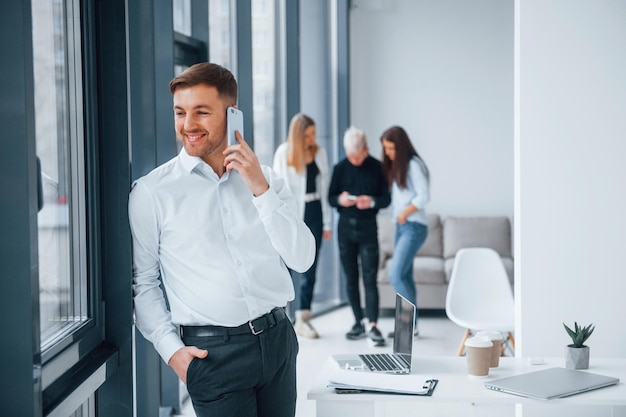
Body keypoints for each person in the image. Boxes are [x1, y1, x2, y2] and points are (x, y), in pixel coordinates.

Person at [128, 62, 315, 417]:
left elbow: (302, 259)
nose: (188, 125)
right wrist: (173, 352)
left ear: (233, 115)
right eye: (180, 113)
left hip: (277, 342)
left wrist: (259, 189)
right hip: (212, 357)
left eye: (201, 112)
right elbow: (144, 283)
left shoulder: (268, 181)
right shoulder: (152, 193)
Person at [328, 126, 391, 346]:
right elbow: (330, 198)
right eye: (351, 156)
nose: (354, 160)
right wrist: (340, 200)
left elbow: (386, 199)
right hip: (345, 228)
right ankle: (358, 322)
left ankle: (373, 324)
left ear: (366, 149)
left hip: (368, 228)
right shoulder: (340, 168)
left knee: (369, 278)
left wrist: (371, 201)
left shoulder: (378, 168)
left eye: (358, 155)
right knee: (351, 278)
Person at [273, 113, 332, 339]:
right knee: (286, 266)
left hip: (315, 211)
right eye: (308, 134)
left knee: (310, 267)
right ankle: (283, 317)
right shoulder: (284, 153)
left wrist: (327, 222)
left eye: (314, 134)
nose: (312, 138)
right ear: (298, 135)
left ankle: (303, 318)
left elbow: (324, 188)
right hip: (292, 215)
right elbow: (278, 189)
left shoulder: (319, 153)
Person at [380, 125, 430, 337]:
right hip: (402, 226)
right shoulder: (399, 167)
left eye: (391, 149)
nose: (388, 153)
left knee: (395, 273)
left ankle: (407, 325)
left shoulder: (413, 165)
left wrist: (404, 214)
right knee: (405, 276)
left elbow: (423, 196)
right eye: (386, 149)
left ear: (400, 147)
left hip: (414, 226)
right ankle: (413, 327)